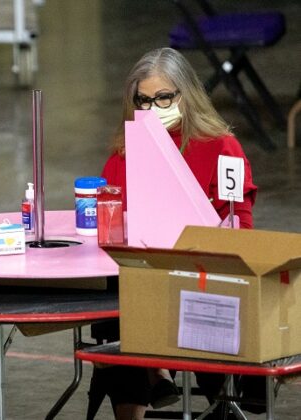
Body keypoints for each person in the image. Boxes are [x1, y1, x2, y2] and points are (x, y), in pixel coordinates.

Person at [96, 47, 258, 420]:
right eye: (144, 100)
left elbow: (242, 228)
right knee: (118, 308)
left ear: (186, 95)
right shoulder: (123, 154)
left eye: (164, 97)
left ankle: (211, 398)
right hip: (142, 278)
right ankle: (143, 392)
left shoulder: (222, 147)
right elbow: (105, 222)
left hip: (201, 278)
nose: (154, 108)